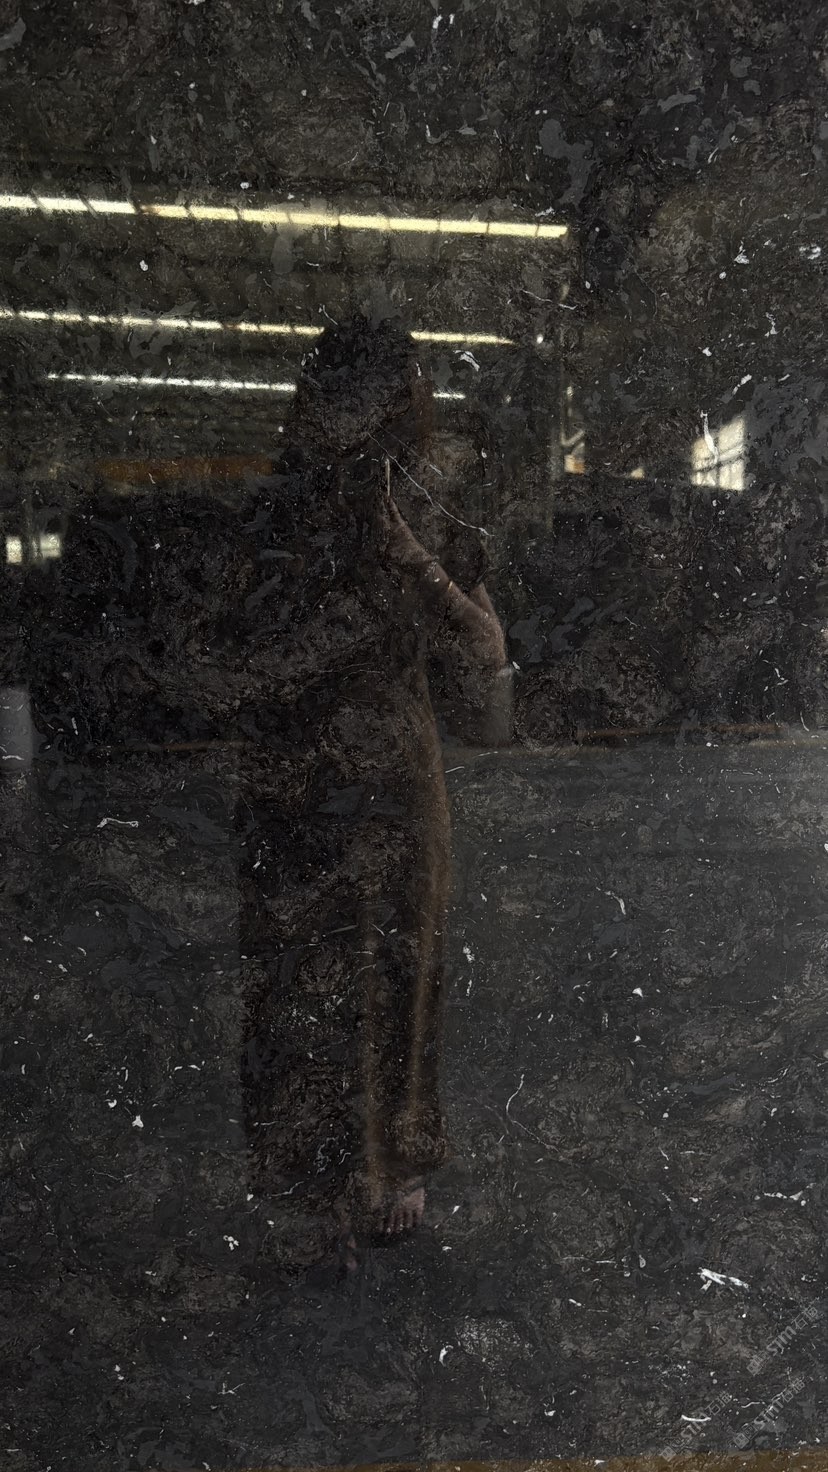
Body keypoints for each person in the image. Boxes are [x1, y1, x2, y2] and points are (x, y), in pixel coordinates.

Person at [238, 315, 507, 1270]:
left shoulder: (427, 501)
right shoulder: (281, 509)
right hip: (300, 767)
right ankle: (315, 1182)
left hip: (394, 768)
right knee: (299, 977)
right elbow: (242, 651)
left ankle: (392, 1159)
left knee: (401, 967)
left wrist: (408, 555)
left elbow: (486, 649)